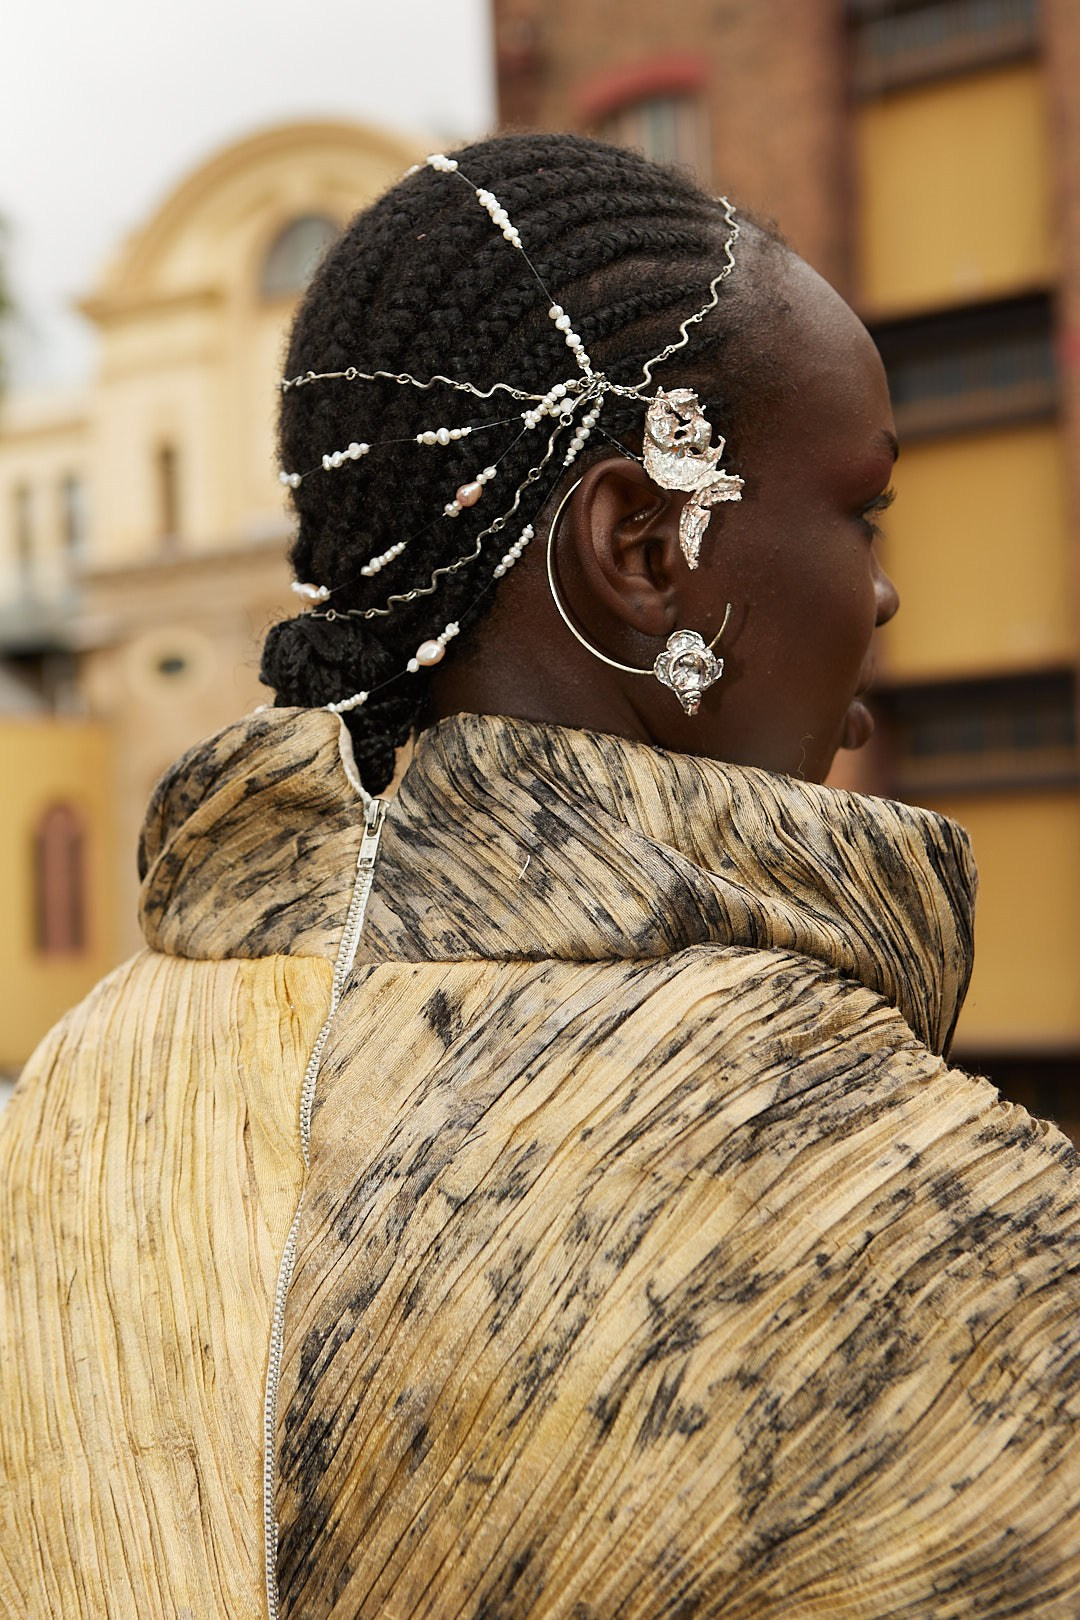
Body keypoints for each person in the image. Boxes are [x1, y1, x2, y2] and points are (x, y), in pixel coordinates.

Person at [2, 133, 1078, 1619]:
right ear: (645, 545)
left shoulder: (68, 1103)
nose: (884, 590)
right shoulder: (903, 1223)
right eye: (863, 512)